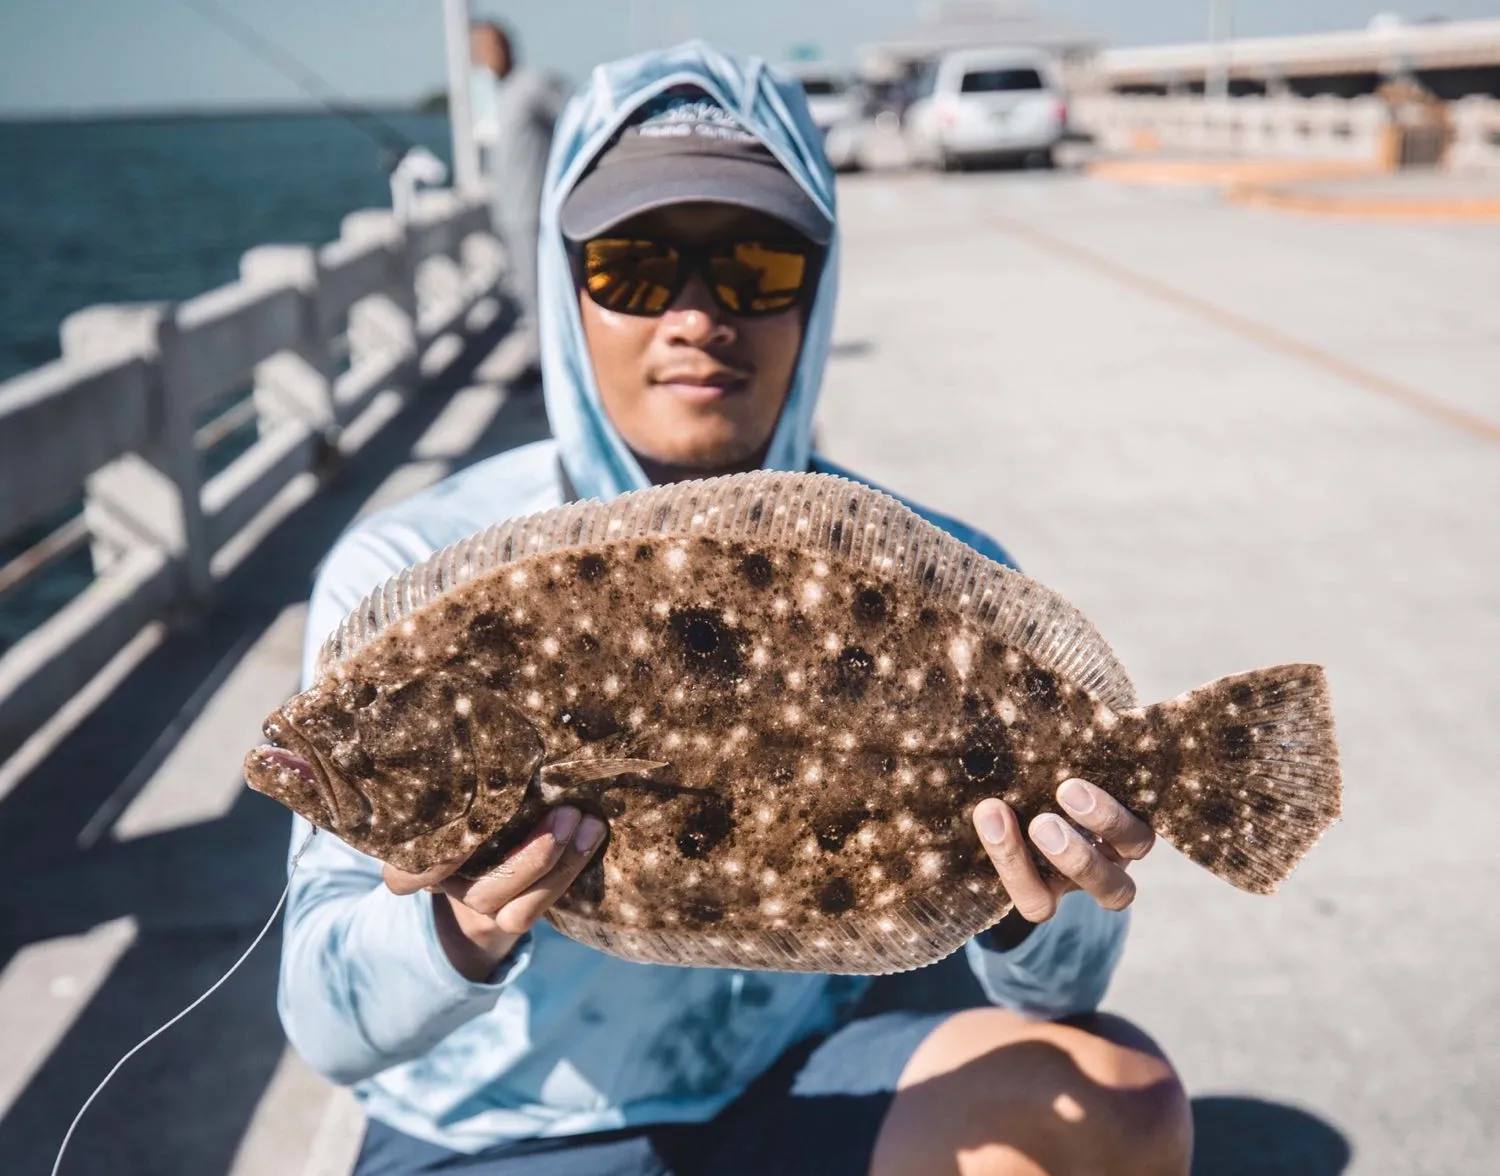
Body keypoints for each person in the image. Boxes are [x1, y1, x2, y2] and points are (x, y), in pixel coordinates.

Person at [279, 42, 1193, 1176]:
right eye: (635, 267)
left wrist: (1039, 899)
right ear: (566, 284)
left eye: (756, 267)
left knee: (1119, 1103)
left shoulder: (939, 578)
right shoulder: (417, 573)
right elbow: (320, 1018)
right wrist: (455, 928)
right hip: (498, 1135)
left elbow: (1063, 991)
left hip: (804, 1076)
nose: (697, 316)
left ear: (818, 287)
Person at [469, 19, 569, 377]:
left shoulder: (534, 84)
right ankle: (541, 358)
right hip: (507, 212)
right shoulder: (494, 94)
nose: (483, 57)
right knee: (524, 292)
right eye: (477, 50)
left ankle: (548, 366)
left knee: (543, 292)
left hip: (534, 210)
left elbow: (576, 121)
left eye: (489, 47)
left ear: (508, 46)